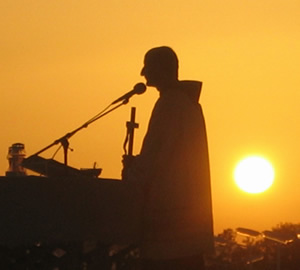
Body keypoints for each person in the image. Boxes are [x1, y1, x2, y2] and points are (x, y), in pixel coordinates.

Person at [123, 46, 214, 269]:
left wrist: (132, 170)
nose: (143, 73)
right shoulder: (188, 104)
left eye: (148, 67)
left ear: (161, 69)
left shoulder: (169, 104)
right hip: (189, 218)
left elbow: (154, 157)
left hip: (170, 221)